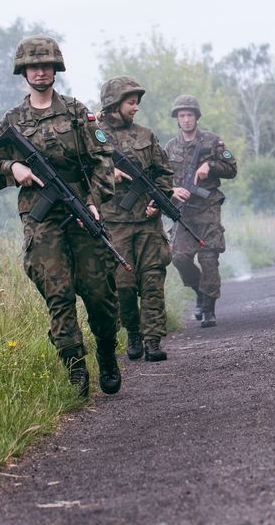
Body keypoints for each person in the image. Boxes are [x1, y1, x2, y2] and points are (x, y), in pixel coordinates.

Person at [0, 36, 122, 398]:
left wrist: (93, 201)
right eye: (33, 66)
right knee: (58, 297)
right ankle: (75, 369)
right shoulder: (12, 121)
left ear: (56, 69)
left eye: (46, 65)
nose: (40, 71)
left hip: (81, 215)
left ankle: (106, 353)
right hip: (42, 223)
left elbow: (103, 161)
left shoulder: (77, 113)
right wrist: (13, 167)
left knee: (99, 295)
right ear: (24, 72)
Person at [98, 76, 175, 362]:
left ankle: (153, 340)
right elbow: (82, 173)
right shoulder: (93, 136)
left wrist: (159, 200)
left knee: (154, 280)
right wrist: (109, 173)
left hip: (147, 223)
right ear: (114, 104)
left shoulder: (146, 135)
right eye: (131, 102)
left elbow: (164, 172)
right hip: (114, 225)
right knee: (124, 287)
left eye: (137, 103)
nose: (136, 108)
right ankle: (133, 332)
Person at [164, 95, 238, 327]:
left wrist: (211, 166)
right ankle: (199, 291)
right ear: (177, 119)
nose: (186, 120)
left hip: (207, 208)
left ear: (197, 117)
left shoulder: (212, 141)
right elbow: (162, 177)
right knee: (179, 258)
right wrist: (173, 190)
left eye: (190, 115)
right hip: (183, 211)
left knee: (209, 258)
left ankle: (208, 309)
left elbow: (232, 168)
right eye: (182, 116)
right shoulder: (170, 147)